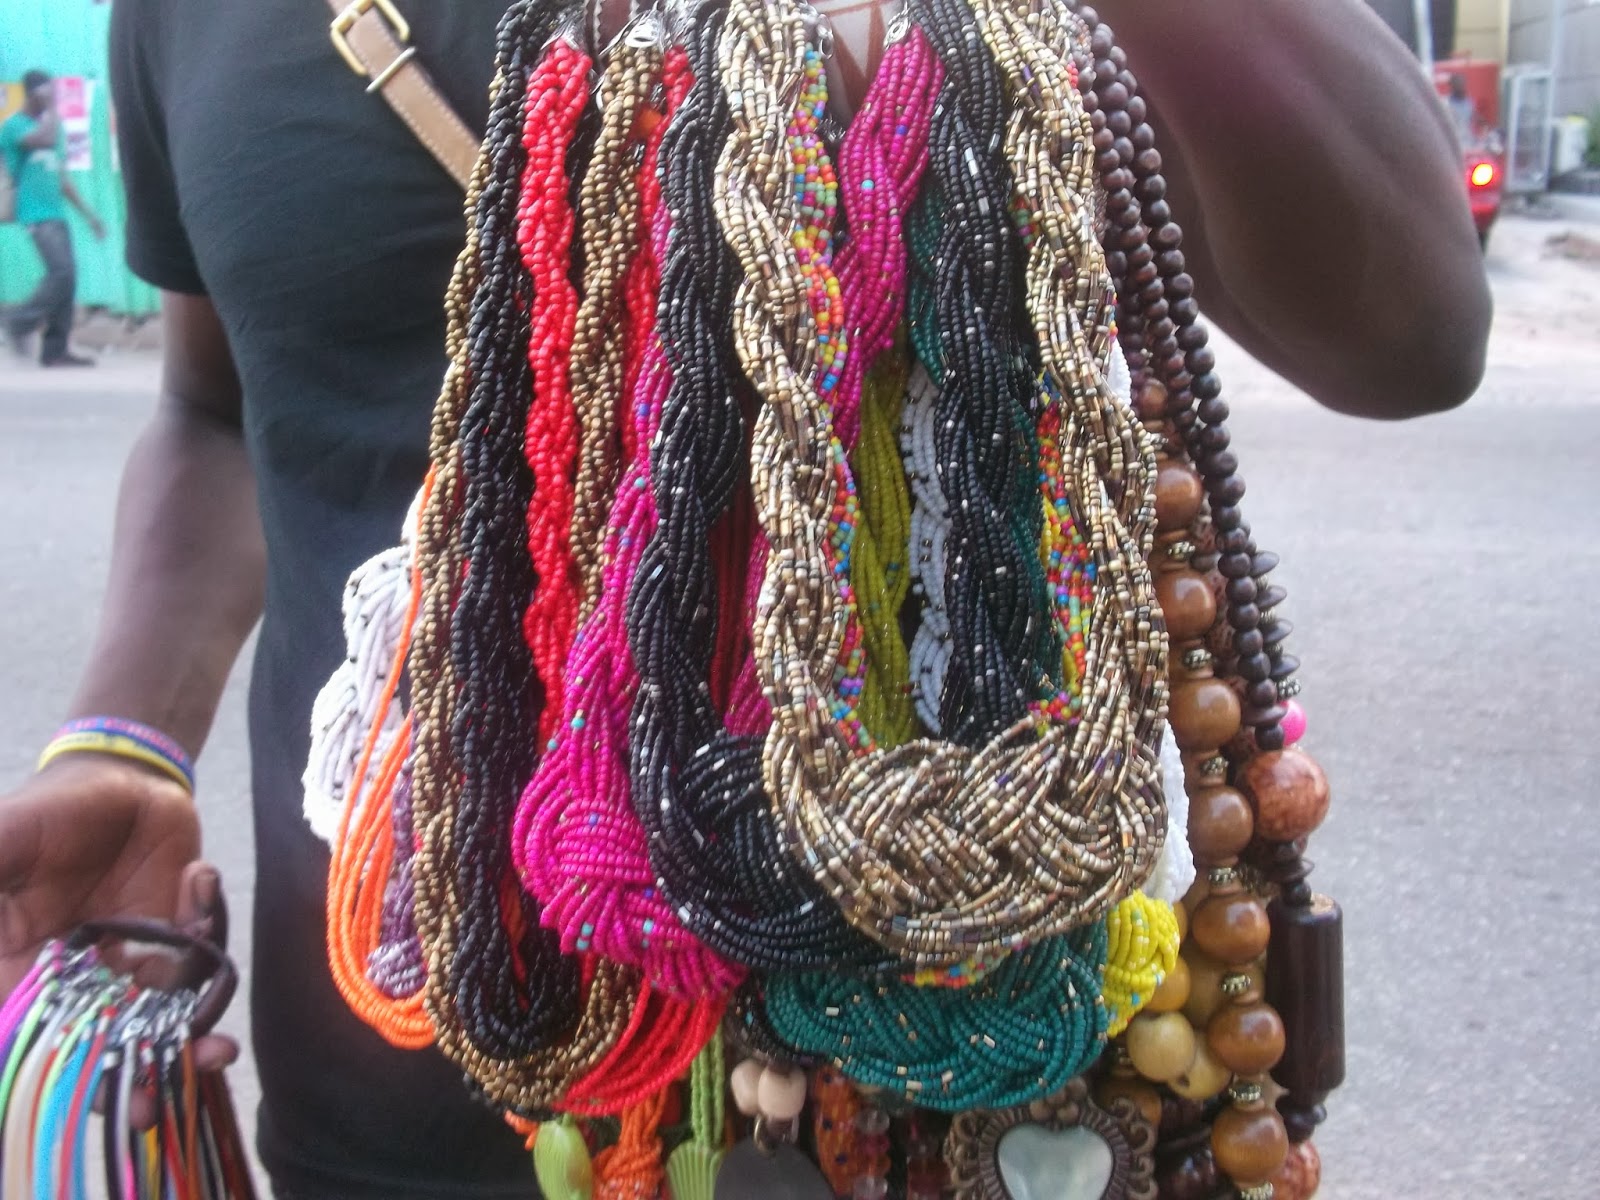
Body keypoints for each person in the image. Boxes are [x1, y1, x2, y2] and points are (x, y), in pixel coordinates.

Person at [0, 1, 1492, 1198]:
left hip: (946, 1073)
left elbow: (1415, 328)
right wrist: (125, 737)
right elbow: (214, 409)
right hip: (397, 1073)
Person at [2, 68, 106, 367]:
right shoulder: (15, 127)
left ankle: (55, 351)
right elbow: (42, 139)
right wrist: (52, 109)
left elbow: (62, 180)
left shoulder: (47, 128)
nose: (53, 99)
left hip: (56, 214)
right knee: (60, 272)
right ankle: (18, 321)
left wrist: (89, 215)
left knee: (68, 278)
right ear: (33, 94)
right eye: (47, 93)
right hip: (34, 215)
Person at [1445, 74, 1484, 151]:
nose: (1460, 86)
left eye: (1461, 84)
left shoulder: (1468, 102)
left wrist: (1480, 121)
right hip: (1452, 145)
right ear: (1452, 86)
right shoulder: (1446, 103)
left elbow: (1473, 116)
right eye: (1457, 84)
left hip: (1468, 143)